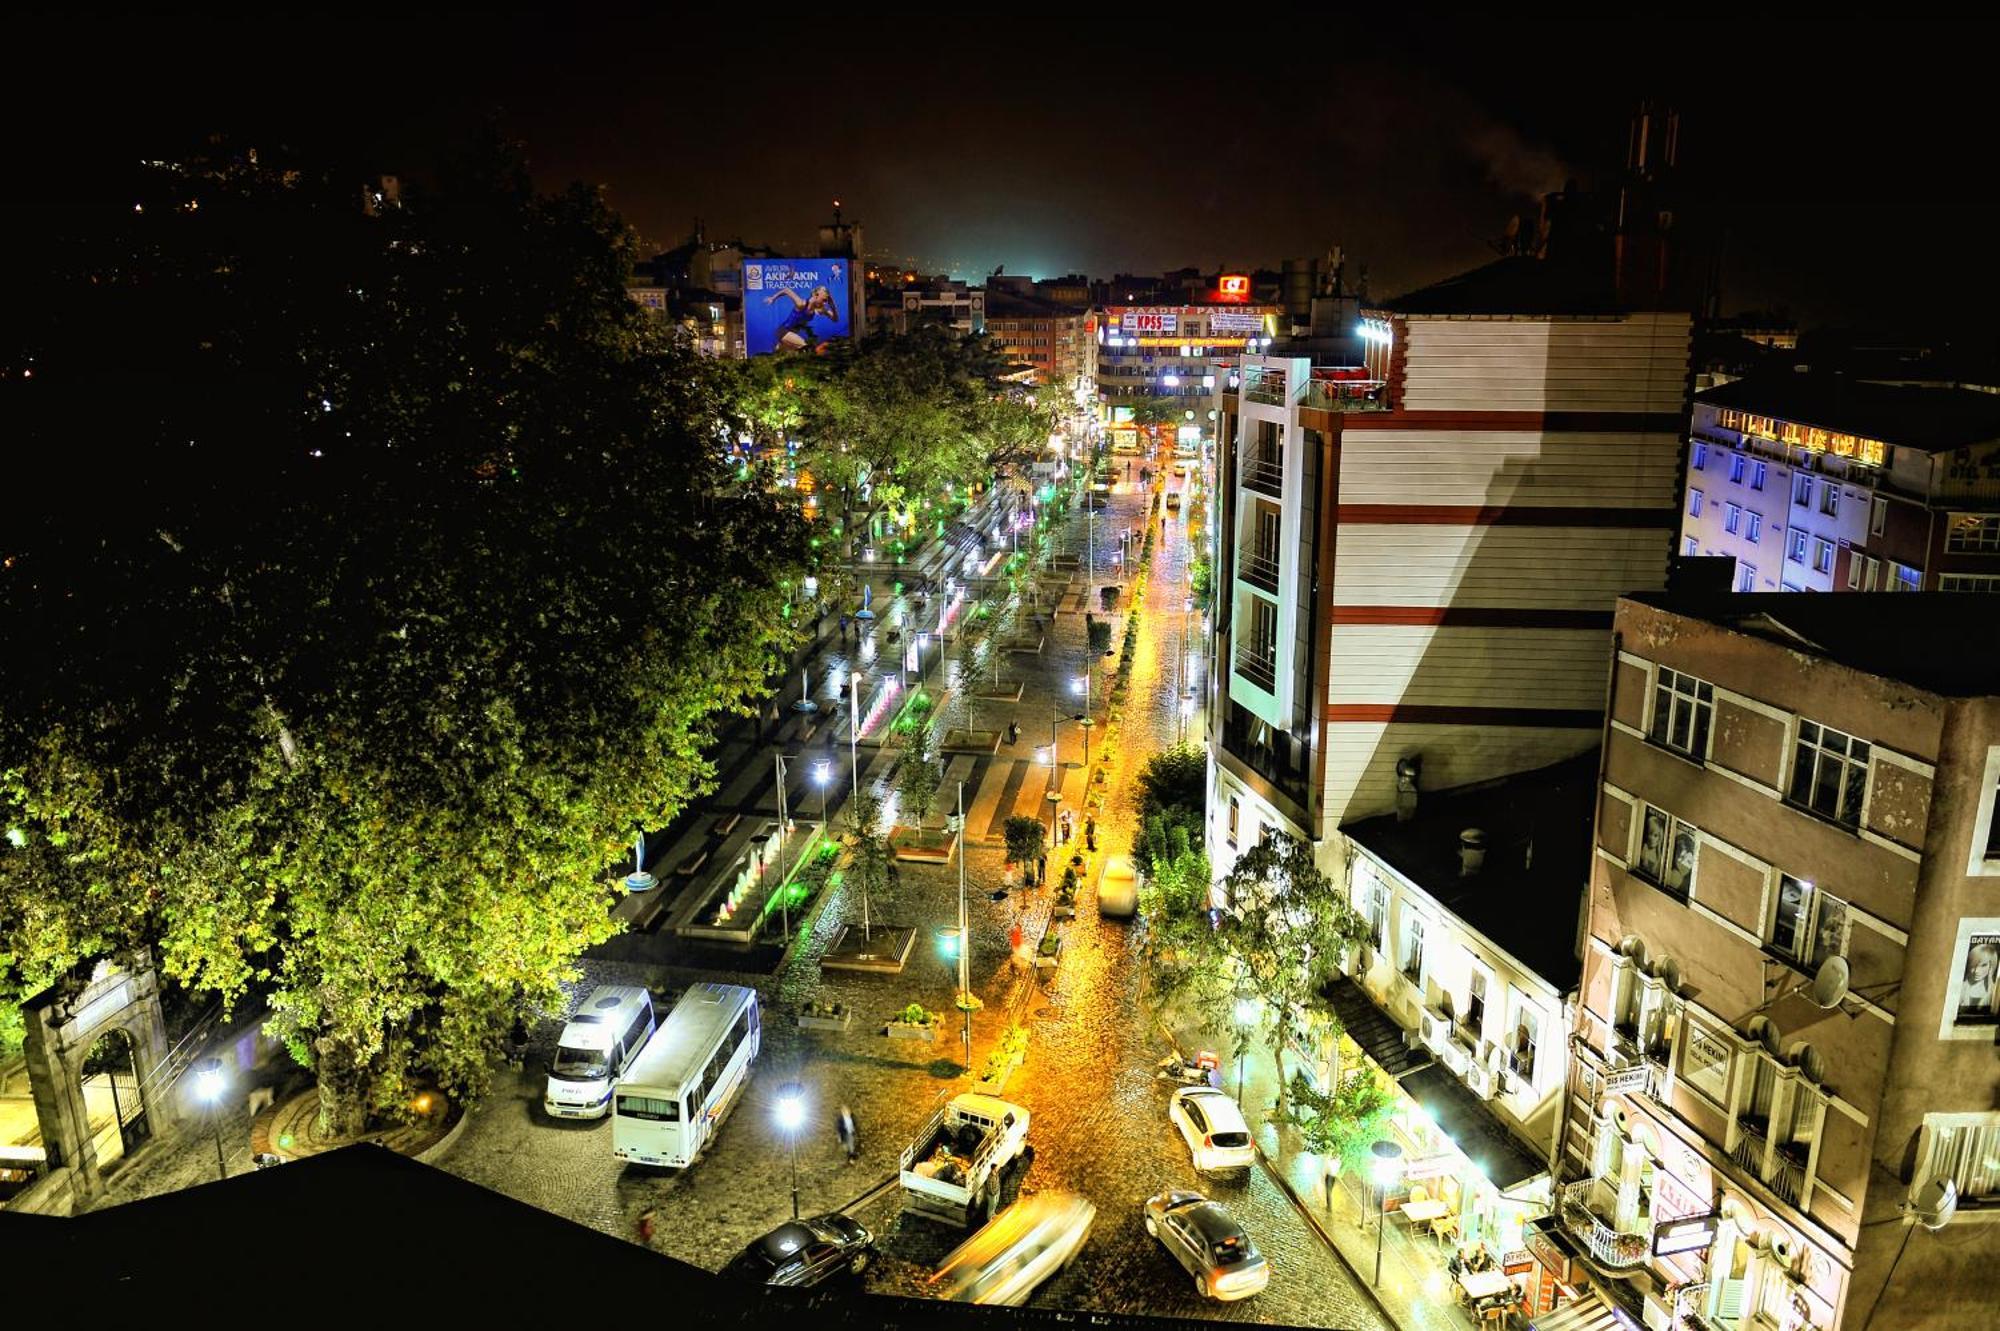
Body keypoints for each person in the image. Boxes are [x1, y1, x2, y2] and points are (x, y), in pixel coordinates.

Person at [765, 284, 841, 352]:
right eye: (824, 300)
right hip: (784, 332)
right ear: (815, 295)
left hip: (792, 335)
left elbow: (835, 319)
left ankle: (779, 348)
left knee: (783, 356)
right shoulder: (801, 304)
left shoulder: (819, 309)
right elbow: (786, 290)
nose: (825, 303)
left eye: (826, 301)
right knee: (805, 348)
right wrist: (773, 298)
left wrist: (833, 306)